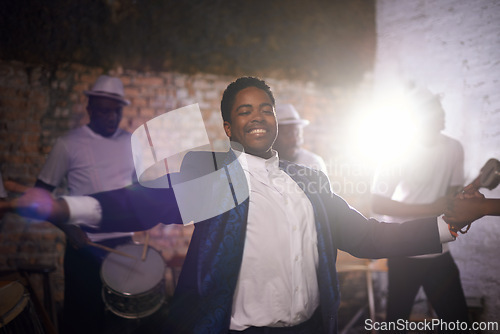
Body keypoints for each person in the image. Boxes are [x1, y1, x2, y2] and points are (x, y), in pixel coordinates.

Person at [8, 77, 486, 334]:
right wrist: (62, 208)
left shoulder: (310, 180)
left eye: (266, 108)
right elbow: (144, 206)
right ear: (230, 129)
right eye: (244, 110)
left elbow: (367, 237)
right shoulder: (220, 179)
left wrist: (447, 224)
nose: (258, 116)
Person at [34, 75, 136, 334]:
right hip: (85, 248)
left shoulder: (132, 143)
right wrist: (69, 229)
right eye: (104, 110)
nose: (112, 117)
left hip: (124, 249)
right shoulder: (68, 144)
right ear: (89, 108)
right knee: (83, 324)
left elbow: (139, 191)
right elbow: (40, 196)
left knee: (125, 325)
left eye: (117, 111)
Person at [370, 88, 469, 326]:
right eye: (436, 109)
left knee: (457, 323)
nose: (443, 113)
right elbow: (377, 203)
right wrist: (431, 208)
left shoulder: (454, 148)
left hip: (439, 248)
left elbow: (452, 197)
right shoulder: (396, 151)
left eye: (441, 108)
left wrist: (467, 199)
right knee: (396, 323)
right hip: (404, 249)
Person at [273, 103, 327, 174]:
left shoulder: (313, 163)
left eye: (298, 134)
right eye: (288, 134)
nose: (294, 140)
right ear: (274, 135)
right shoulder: (264, 165)